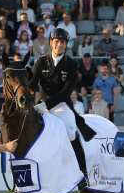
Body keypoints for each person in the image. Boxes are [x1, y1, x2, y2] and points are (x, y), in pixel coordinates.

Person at [30, 28, 96, 174]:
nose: (59, 45)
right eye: (57, 41)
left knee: (71, 129)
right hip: (42, 103)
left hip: (62, 105)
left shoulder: (71, 64)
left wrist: (45, 106)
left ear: (66, 45)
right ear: (51, 43)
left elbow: (65, 92)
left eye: (63, 42)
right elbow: (32, 85)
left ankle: (82, 171)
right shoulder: (41, 62)